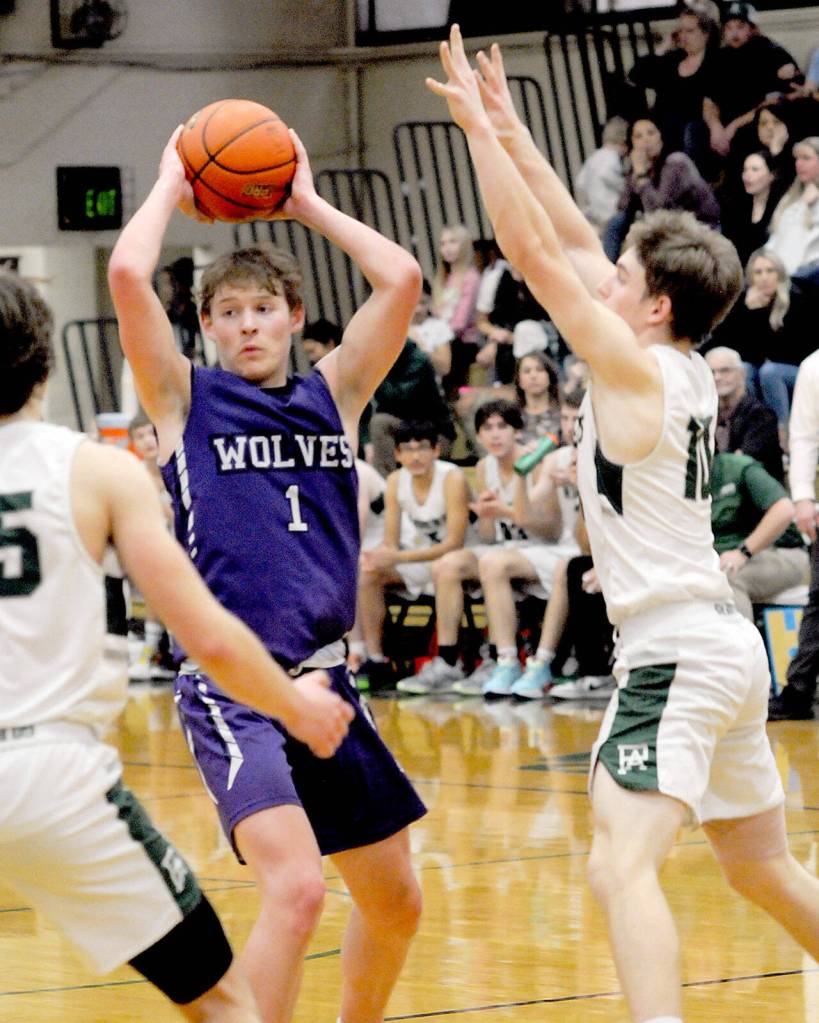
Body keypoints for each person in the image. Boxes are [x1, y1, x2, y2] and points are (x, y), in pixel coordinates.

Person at [428, 27, 819, 1022]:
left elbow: (527, 247)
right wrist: (513, 128)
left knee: (616, 866)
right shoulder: (672, 360)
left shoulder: (634, 368)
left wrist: (474, 129)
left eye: (621, 274)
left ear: (648, 306)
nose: (602, 271)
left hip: (674, 651)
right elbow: (566, 237)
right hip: (723, 646)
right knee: (762, 868)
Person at [108, 125, 426, 1023]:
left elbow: (399, 278)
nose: (248, 324)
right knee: (295, 892)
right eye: (230, 312)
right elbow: (130, 278)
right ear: (206, 328)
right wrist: (172, 177)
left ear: (292, 315)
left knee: (396, 899)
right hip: (234, 685)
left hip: (329, 681)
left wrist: (304, 202)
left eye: (263, 308)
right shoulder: (183, 399)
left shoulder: (339, 390)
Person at [0, 272, 354, 1022]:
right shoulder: (98, 469)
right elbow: (207, 631)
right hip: (49, 777)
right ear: (44, 360)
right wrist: (293, 704)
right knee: (226, 1004)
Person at [393, 399, 543, 695]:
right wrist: (486, 517)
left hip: (539, 547)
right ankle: (449, 660)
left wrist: (506, 512)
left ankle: (500, 657)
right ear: (478, 436)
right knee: (447, 565)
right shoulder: (485, 466)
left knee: (492, 564)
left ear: (518, 431)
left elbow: (547, 528)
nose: (495, 434)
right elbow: (488, 538)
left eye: (503, 426)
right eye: (487, 428)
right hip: (504, 548)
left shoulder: (534, 463)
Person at [357, 420, 471, 690]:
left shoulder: (453, 478)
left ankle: (447, 661)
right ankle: (375, 659)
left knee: (444, 566)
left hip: (463, 558)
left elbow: (454, 543)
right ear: (397, 455)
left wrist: (398, 558)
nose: (415, 456)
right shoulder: (396, 481)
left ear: (436, 451)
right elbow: (391, 541)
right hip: (421, 560)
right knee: (368, 572)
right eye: (407, 450)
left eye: (422, 449)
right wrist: (377, 556)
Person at [768, 346, 819, 721]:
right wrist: (802, 496)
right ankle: (799, 691)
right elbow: (803, 437)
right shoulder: (814, 366)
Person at [604, 115, 720, 259]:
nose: (646, 140)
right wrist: (635, 173)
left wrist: (641, 175)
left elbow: (659, 211)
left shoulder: (676, 162)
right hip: (672, 232)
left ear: (661, 137)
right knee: (618, 221)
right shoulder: (643, 169)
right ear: (631, 145)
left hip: (701, 230)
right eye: (638, 136)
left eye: (651, 133)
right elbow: (623, 208)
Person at [711, 451, 808, 620]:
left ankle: (741, 645)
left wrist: (743, 552)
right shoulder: (681, 481)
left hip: (780, 552)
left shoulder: (738, 467)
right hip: (717, 560)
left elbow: (784, 509)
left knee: (730, 577)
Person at [702, 2, 799, 161]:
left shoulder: (770, 52)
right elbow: (708, 101)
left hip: (756, 121)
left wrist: (734, 126)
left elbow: (777, 100)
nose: (734, 33)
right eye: (729, 27)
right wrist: (716, 128)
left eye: (740, 27)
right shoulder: (718, 58)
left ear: (753, 28)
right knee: (695, 130)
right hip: (725, 125)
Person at [703, 346, 783, 481]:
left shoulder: (761, 415)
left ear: (742, 374)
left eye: (725, 370)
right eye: (711, 372)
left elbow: (741, 462)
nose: (717, 377)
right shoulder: (706, 416)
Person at [430, 222, 481, 396]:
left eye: (453, 242)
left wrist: (438, 338)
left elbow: (461, 321)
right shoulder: (443, 279)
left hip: (464, 342)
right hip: (443, 340)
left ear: (464, 245)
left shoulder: (471, 277)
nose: (447, 248)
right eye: (443, 243)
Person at [720, 150, 785, 266]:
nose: (747, 175)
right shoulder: (734, 206)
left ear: (772, 175)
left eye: (754, 169)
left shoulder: (781, 208)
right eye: (745, 170)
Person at [768, 136, 819, 275]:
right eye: (797, 159)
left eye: (806, 158)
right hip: (777, 272)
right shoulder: (790, 197)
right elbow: (775, 237)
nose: (799, 164)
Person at [574, 116, 629, 236]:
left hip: (594, 210)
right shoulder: (612, 156)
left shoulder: (594, 157)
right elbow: (606, 174)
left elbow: (580, 182)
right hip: (609, 209)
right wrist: (624, 185)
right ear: (622, 142)